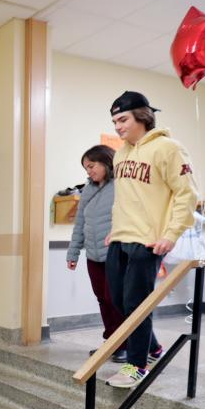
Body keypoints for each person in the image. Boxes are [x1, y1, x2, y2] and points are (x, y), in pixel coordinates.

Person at [105, 91, 198, 388]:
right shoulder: (120, 153)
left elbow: (187, 195)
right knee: (119, 301)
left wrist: (171, 235)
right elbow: (125, 198)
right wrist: (114, 227)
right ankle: (153, 348)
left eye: (123, 119)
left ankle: (137, 365)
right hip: (121, 237)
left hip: (148, 241)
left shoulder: (168, 148)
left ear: (142, 117)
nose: (118, 126)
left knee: (137, 304)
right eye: (114, 121)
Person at [67, 145, 127, 363]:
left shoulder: (121, 184)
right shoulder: (89, 189)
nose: (89, 172)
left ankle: (125, 344)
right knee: (102, 299)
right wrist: (73, 253)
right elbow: (80, 222)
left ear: (106, 162)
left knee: (116, 300)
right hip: (93, 256)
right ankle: (111, 341)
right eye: (86, 168)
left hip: (115, 253)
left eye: (91, 166)